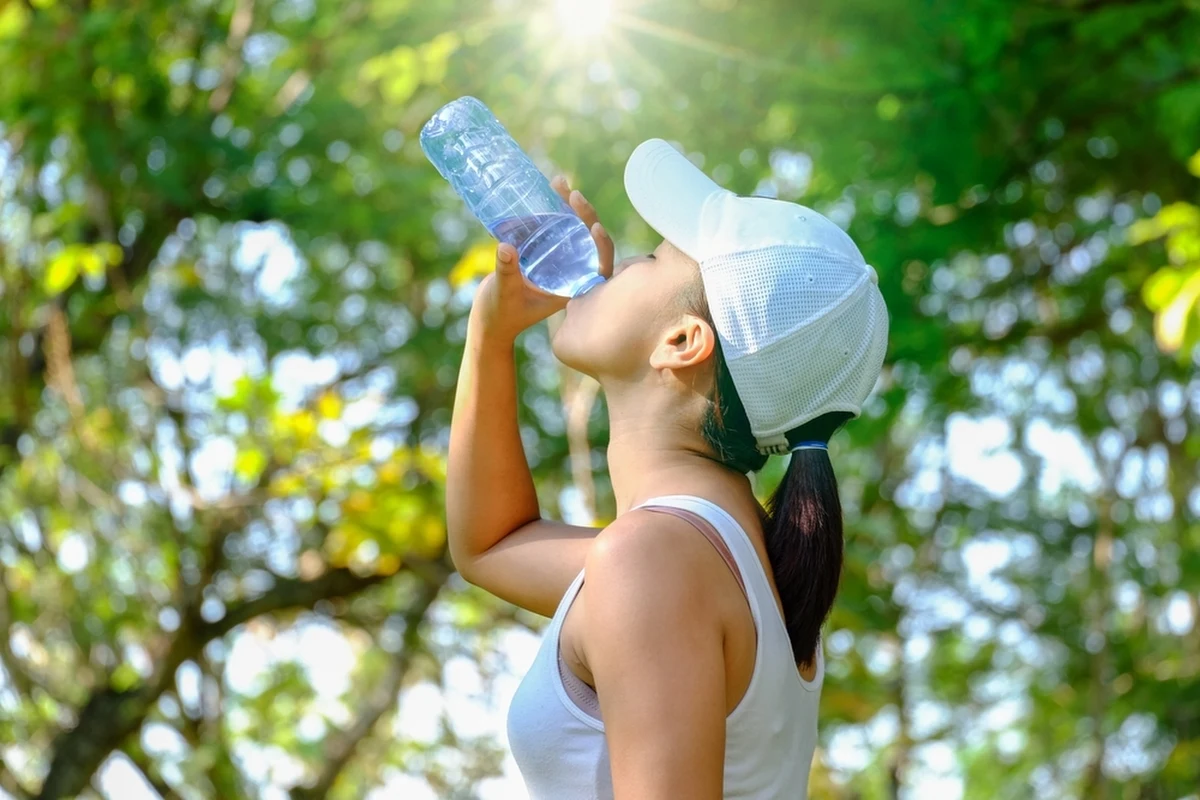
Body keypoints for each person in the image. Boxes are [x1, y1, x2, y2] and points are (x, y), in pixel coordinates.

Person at [445, 138, 889, 799]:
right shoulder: (717, 555)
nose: (618, 260)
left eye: (649, 258)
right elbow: (491, 546)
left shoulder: (656, 558)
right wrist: (491, 335)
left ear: (682, 342)